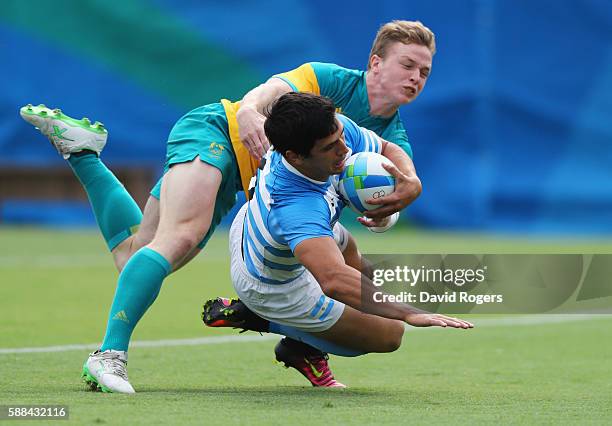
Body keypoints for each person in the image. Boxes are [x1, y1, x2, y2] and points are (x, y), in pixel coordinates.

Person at [18, 20, 435, 393]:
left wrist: (399, 196)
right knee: (180, 238)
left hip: (239, 179)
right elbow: (269, 91)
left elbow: (397, 170)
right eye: (408, 65)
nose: (416, 77)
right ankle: (108, 356)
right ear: (376, 63)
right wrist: (251, 112)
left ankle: (83, 154)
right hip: (217, 134)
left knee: (134, 260)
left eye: (425, 72)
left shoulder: (391, 135)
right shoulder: (328, 79)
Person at [211, 92, 473, 389]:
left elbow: (387, 147)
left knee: (366, 274)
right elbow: (333, 279)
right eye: (330, 148)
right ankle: (261, 317)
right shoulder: (296, 206)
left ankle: (305, 338)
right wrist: (410, 312)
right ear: (295, 156)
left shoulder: (325, 129)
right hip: (271, 285)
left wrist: (410, 180)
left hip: (259, 229)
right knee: (390, 333)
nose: (345, 150)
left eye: (340, 138)